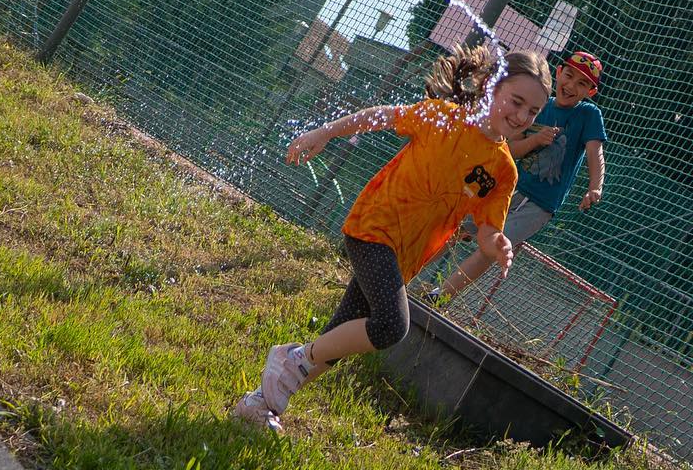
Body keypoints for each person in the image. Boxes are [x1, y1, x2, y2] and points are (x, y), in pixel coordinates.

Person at [231, 45, 552, 433]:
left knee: (341, 336)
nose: (522, 116)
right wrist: (326, 131)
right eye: (516, 101)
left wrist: (496, 244)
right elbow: (381, 116)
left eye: (533, 112)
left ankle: (259, 403)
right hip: (374, 227)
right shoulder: (443, 116)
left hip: (406, 257)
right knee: (389, 326)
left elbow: (488, 230)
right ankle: (292, 358)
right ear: (492, 87)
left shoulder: (503, 170)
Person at [435, 49, 607, 302]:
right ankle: (407, 267)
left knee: (493, 248)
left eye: (582, 84)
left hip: (539, 205)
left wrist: (595, 187)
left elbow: (595, 152)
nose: (571, 86)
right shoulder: (538, 106)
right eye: (569, 76)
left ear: (590, 92)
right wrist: (535, 140)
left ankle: (439, 296)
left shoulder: (588, 115)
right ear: (559, 72)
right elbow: (510, 150)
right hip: (503, 187)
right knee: (455, 227)